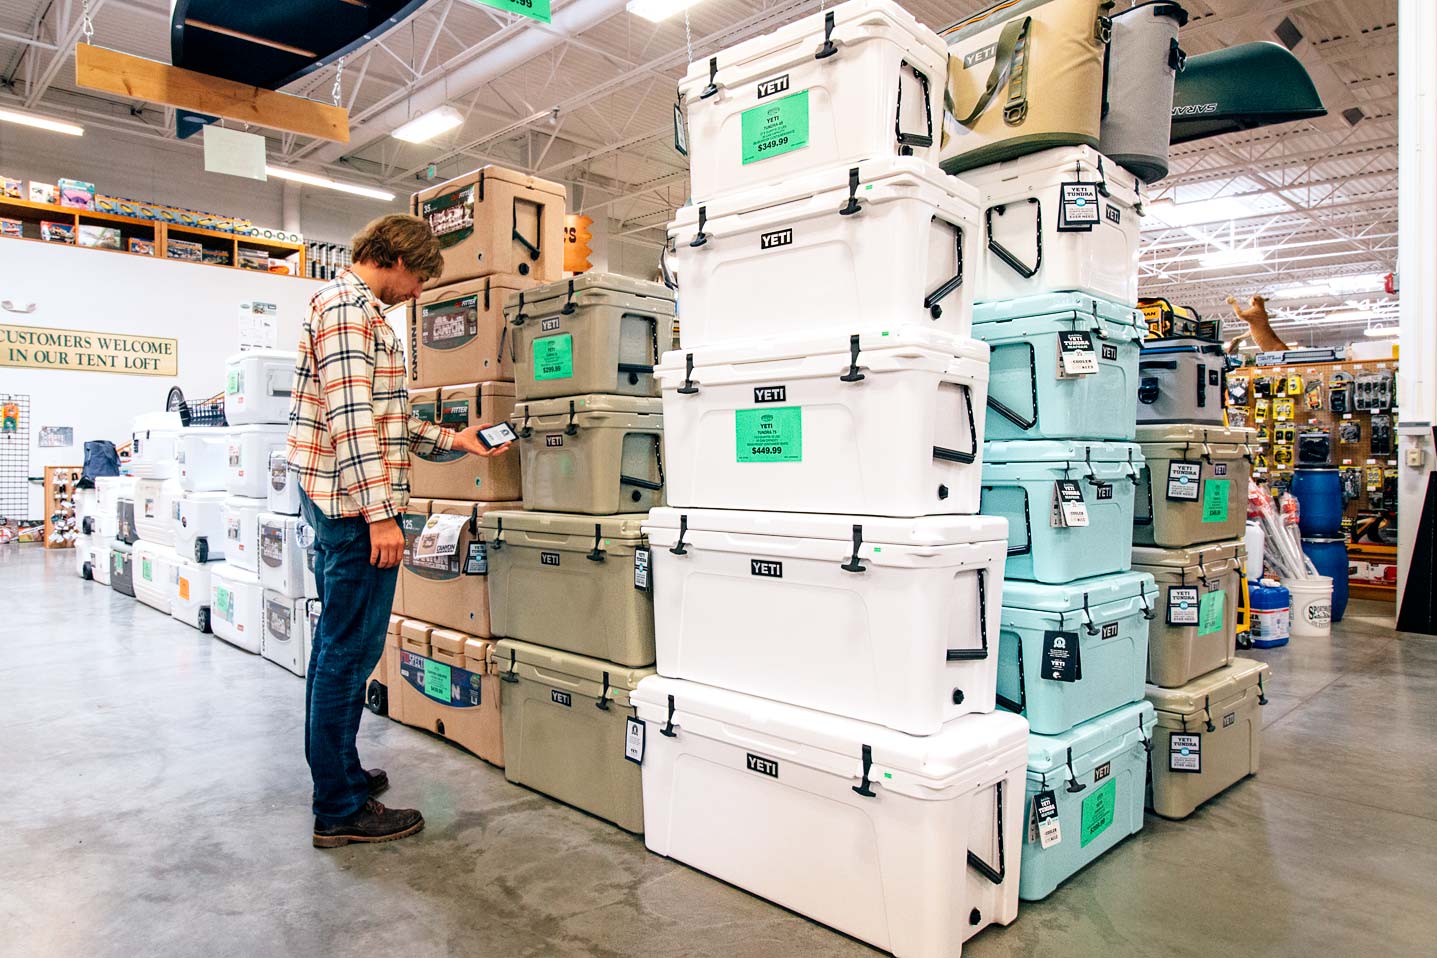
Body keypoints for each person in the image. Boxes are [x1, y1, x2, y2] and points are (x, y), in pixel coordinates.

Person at [287, 214, 509, 849]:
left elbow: (388, 416)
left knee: (339, 648)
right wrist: (380, 516)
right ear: (392, 258)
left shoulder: (354, 311)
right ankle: (339, 807)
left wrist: (455, 438)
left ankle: (343, 774)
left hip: (341, 498)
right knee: (348, 655)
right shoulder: (348, 314)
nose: (417, 294)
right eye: (417, 280)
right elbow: (354, 421)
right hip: (355, 510)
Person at [1225, 294, 1290, 353]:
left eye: (1250, 300)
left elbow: (1240, 315)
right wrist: (1240, 337)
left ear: (1254, 300)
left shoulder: (1256, 311)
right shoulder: (1262, 313)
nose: (1249, 301)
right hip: (1275, 347)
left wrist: (1233, 302)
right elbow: (1255, 330)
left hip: (1276, 349)